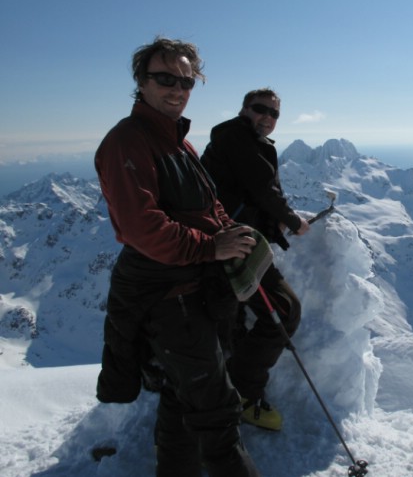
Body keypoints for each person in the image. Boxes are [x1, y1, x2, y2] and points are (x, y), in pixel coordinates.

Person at [95, 37, 260, 477]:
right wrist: (211, 246)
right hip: (169, 297)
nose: (178, 88)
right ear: (141, 83)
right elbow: (140, 227)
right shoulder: (127, 142)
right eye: (165, 78)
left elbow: (208, 204)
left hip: (193, 292)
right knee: (217, 412)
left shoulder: (177, 142)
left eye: (186, 80)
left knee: (180, 397)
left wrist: (228, 230)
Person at [201, 88, 310, 432]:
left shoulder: (238, 138)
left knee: (229, 324)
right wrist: (294, 222)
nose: (267, 117)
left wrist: (273, 224)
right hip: (232, 246)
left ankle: (227, 394)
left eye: (274, 113)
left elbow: (247, 192)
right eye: (260, 109)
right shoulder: (237, 137)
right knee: (284, 310)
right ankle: (243, 395)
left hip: (230, 242)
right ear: (244, 109)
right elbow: (263, 188)